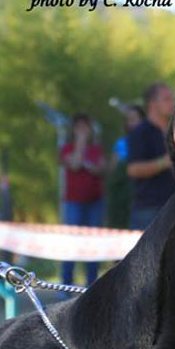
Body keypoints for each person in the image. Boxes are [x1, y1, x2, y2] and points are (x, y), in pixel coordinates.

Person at [59, 112, 106, 286]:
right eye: (79, 127)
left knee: (93, 244)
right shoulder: (66, 148)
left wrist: (94, 167)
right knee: (71, 243)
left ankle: (91, 285)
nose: (82, 130)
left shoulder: (96, 149)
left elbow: (102, 169)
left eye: (85, 126)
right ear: (73, 129)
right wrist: (80, 143)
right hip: (73, 203)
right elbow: (75, 165)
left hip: (95, 202)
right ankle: (65, 285)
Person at [127, 83, 175, 230]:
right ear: (152, 104)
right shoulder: (140, 133)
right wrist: (164, 162)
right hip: (149, 209)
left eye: (172, 98)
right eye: (166, 99)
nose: (172, 103)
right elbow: (133, 170)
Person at [107, 105, 145, 229]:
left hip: (142, 197)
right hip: (122, 196)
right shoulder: (121, 143)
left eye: (134, 119)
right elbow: (112, 170)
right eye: (128, 120)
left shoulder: (148, 142)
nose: (130, 123)